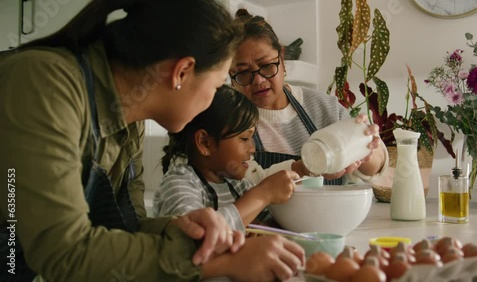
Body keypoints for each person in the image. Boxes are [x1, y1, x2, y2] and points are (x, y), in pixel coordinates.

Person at [0, 1, 304, 281]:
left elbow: (124, 229)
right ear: (182, 72)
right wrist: (220, 262)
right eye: (215, 85)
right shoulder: (44, 83)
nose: (213, 99)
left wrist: (177, 228)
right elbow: (63, 252)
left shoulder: (129, 124)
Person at [230, 9, 388, 186]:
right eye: (243, 73)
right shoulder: (229, 122)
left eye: (266, 66)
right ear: (228, 74)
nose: (258, 80)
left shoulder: (324, 107)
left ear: (282, 58)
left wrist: (366, 148)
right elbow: (244, 187)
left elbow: (376, 168)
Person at [154, 85, 299, 232]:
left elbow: (269, 224)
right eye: (244, 138)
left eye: (251, 138)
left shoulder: (239, 186)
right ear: (205, 143)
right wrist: (264, 194)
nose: (252, 149)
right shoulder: (179, 184)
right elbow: (193, 237)